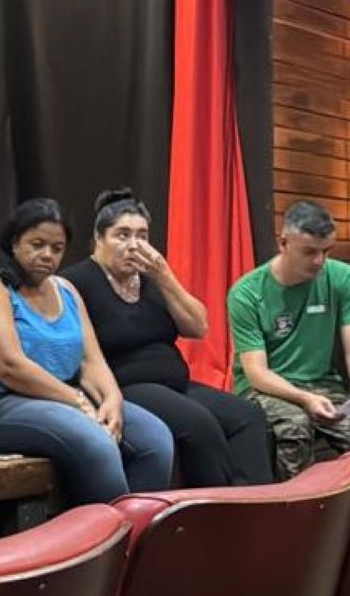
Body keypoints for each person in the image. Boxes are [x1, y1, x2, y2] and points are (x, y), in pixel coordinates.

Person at [0, 198, 173, 504]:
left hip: (63, 400)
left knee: (155, 438)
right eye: (37, 244)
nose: (47, 255)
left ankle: (139, 529)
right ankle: (112, 532)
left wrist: (112, 401)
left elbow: (91, 360)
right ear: (14, 243)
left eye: (57, 248)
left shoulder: (65, 289)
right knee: (96, 442)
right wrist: (77, 401)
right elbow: (8, 366)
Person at [62, 188, 272, 486]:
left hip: (175, 384)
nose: (134, 245)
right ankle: (218, 507)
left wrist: (165, 276)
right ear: (99, 239)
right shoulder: (76, 282)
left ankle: (254, 504)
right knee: (198, 424)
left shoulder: (153, 279)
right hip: (125, 385)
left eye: (142, 236)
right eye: (122, 235)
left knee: (248, 416)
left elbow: (198, 327)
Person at [228, 199, 350, 480]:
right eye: (309, 252)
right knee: (295, 426)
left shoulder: (342, 277)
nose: (319, 261)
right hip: (265, 389)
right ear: (283, 243)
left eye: (326, 251)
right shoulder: (246, 292)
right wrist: (305, 399)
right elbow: (257, 373)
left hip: (322, 385)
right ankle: (296, 504)